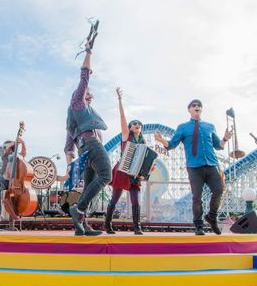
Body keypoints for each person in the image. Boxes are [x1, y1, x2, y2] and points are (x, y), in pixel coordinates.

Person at [154, 99, 232, 235]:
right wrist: (161, 140)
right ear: (189, 109)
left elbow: (218, 146)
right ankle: (198, 225)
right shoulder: (182, 127)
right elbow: (171, 145)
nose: (197, 107)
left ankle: (211, 217)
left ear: (201, 109)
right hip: (194, 167)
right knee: (197, 197)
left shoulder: (210, 126)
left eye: (199, 105)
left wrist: (225, 138)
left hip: (211, 164)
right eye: (194, 105)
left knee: (219, 190)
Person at [64, 41, 109, 236]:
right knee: (106, 176)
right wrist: (88, 54)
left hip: (84, 149)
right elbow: (84, 78)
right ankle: (79, 209)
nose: (89, 95)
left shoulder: (77, 118)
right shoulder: (77, 103)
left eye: (91, 94)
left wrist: (70, 164)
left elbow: (68, 145)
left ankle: (81, 226)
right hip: (91, 145)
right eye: (87, 93)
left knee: (89, 187)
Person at [105, 87, 149, 235]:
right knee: (115, 198)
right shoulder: (126, 136)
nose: (137, 124)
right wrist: (120, 100)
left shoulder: (143, 143)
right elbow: (122, 117)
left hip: (135, 175)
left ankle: (137, 227)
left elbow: (146, 160)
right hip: (122, 171)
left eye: (139, 124)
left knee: (136, 201)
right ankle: (107, 224)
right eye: (134, 123)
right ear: (130, 127)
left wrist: (145, 171)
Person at [0, 138, 26, 231]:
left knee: (12, 200)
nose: (4, 148)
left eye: (7, 146)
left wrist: (23, 143)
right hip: (3, 179)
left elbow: (23, 153)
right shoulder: (4, 154)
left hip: (13, 181)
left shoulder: (16, 156)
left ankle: (11, 224)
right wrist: (12, 143)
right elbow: (4, 148)